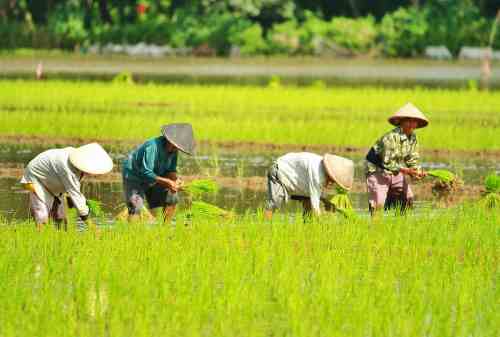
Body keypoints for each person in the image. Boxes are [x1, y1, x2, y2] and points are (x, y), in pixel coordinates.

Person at [20, 143, 113, 230]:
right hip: (36, 178)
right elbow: (76, 196)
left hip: (52, 179)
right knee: (42, 215)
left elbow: (72, 189)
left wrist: (70, 199)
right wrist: (92, 227)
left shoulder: (77, 160)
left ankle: (60, 240)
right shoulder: (68, 169)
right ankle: (39, 239)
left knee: (61, 218)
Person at [122, 123, 195, 223]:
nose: (176, 149)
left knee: (172, 196)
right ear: (168, 140)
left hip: (154, 176)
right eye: (175, 146)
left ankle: (166, 228)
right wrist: (168, 182)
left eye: (177, 148)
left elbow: (171, 170)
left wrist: (176, 180)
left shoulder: (173, 151)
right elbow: (146, 173)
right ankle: (133, 233)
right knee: (135, 206)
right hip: (134, 175)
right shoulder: (152, 146)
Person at [365, 102, 429, 215]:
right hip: (377, 171)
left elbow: (412, 160)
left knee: (408, 199)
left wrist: (417, 171)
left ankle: (400, 224)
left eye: (414, 121)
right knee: (378, 204)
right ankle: (374, 228)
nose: (411, 124)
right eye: (408, 120)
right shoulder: (390, 138)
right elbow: (387, 163)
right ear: (401, 122)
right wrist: (407, 171)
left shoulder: (413, 138)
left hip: (396, 170)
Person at [264, 152, 354, 219]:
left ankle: (307, 227)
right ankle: (264, 226)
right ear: (331, 175)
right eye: (334, 181)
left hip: (297, 176)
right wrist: (323, 228)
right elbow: (316, 208)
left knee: (308, 203)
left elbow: (315, 193)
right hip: (279, 171)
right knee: (274, 203)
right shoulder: (317, 175)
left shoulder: (322, 168)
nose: (333, 184)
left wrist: (327, 203)